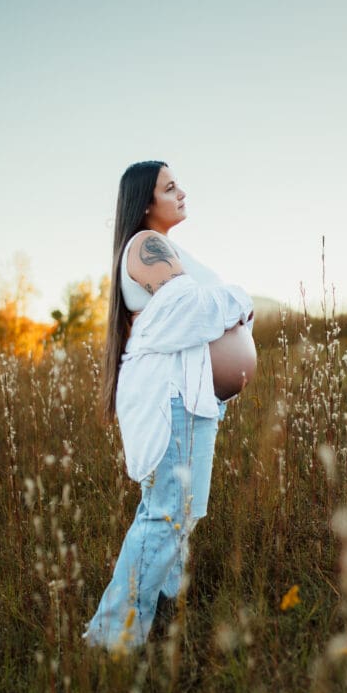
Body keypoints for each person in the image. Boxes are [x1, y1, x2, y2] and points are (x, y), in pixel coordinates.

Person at [83, 161, 255, 651]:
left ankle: (159, 615)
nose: (182, 191)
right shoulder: (145, 245)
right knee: (164, 514)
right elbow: (191, 312)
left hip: (199, 400)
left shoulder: (173, 251)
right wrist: (238, 298)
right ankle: (111, 639)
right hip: (171, 398)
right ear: (144, 202)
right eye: (169, 186)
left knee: (187, 511)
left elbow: (197, 314)